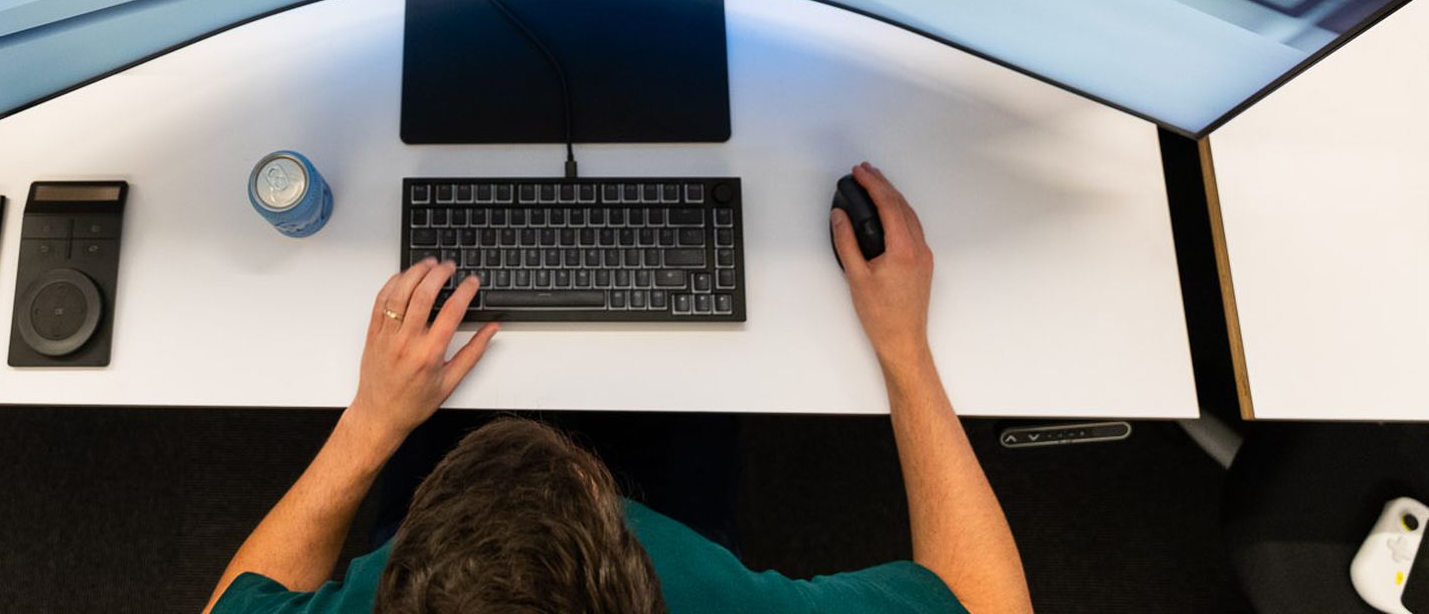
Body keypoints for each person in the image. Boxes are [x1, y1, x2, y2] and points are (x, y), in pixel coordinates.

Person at [204, 162, 1035, 614]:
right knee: (702, 414)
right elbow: (987, 601)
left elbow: (235, 606)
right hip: (680, 527)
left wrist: (371, 424)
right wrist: (905, 351)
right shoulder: (701, 596)